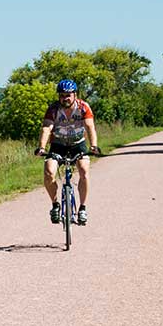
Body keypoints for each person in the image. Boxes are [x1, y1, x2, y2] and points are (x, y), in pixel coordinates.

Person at [35, 78, 101, 225]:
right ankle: (55, 205)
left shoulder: (83, 107)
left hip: (78, 144)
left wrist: (94, 146)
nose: (65, 98)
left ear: (74, 95)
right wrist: (41, 147)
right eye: (62, 95)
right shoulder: (53, 109)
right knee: (49, 172)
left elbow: (90, 127)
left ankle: (82, 208)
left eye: (68, 95)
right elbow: (46, 128)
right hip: (58, 144)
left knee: (84, 171)